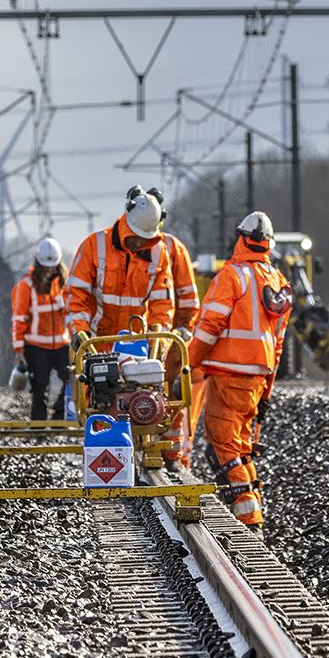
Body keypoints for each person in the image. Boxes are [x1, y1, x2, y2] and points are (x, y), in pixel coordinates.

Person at [187, 212, 292, 533]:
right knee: (240, 447)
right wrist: (267, 394)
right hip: (257, 380)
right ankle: (250, 513)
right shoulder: (278, 283)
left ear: (243, 238)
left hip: (227, 375)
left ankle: (249, 522)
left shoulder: (232, 276)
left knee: (223, 445)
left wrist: (187, 363)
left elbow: (209, 327)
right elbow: (277, 347)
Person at [126, 186, 202, 471]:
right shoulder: (130, 247)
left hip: (168, 338)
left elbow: (188, 298)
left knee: (172, 393)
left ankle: (173, 456)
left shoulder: (173, 249)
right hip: (137, 337)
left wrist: (183, 330)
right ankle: (139, 450)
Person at [65, 189, 175, 353]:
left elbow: (162, 306)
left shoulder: (159, 254)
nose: (139, 244)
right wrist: (80, 334)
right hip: (95, 345)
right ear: (126, 225)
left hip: (136, 346)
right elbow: (76, 294)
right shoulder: (94, 246)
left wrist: (158, 345)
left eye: (145, 239)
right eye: (135, 236)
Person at [10, 237, 71, 422]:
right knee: (39, 387)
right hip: (36, 347)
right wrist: (19, 351)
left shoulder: (64, 284)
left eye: (53, 265)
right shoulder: (26, 286)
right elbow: (18, 319)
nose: (50, 269)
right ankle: (39, 428)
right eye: (46, 266)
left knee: (73, 377)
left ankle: (59, 414)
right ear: (38, 263)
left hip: (62, 343)